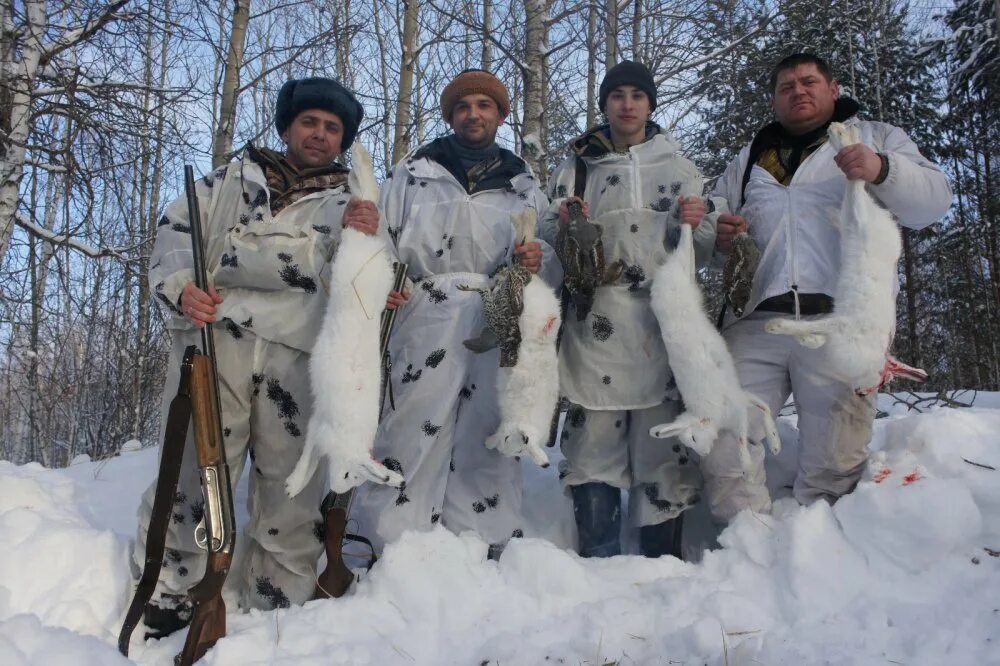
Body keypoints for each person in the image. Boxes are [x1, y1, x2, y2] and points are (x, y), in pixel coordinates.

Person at [134, 77, 384, 636]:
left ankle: (280, 601)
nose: (319, 135)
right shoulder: (225, 183)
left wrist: (379, 274)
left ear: (343, 139)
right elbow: (175, 242)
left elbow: (371, 277)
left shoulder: (357, 200)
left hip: (299, 357)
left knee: (291, 483)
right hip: (217, 346)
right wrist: (182, 287)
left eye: (332, 128)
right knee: (197, 476)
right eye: (310, 123)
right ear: (288, 127)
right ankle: (174, 588)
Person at [707, 53, 951, 517]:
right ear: (774, 100)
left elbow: (933, 203)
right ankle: (744, 541)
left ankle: (819, 550)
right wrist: (719, 233)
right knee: (724, 430)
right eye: (786, 86)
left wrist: (882, 169)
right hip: (757, 320)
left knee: (835, 458)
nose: (798, 91)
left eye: (809, 81)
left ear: (833, 88)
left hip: (841, 322)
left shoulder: (876, 138)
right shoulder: (751, 158)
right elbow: (717, 223)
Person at [352, 69, 561, 558]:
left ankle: (481, 541)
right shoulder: (415, 172)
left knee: (487, 424)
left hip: (498, 309)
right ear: (451, 115)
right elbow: (382, 238)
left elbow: (546, 258)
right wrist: (385, 283)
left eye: (484, 106)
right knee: (412, 420)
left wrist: (537, 261)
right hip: (427, 307)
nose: (474, 114)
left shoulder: (523, 184)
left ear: (501, 115)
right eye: (463, 106)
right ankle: (390, 541)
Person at [540, 60, 719, 559]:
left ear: (650, 103)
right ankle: (599, 562)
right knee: (593, 441)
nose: (626, 104)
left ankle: (663, 564)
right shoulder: (578, 167)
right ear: (604, 104)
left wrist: (698, 222)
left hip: (661, 324)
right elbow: (549, 237)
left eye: (636, 95)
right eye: (616, 95)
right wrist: (565, 225)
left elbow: (703, 249)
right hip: (595, 323)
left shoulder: (680, 168)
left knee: (662, 445)